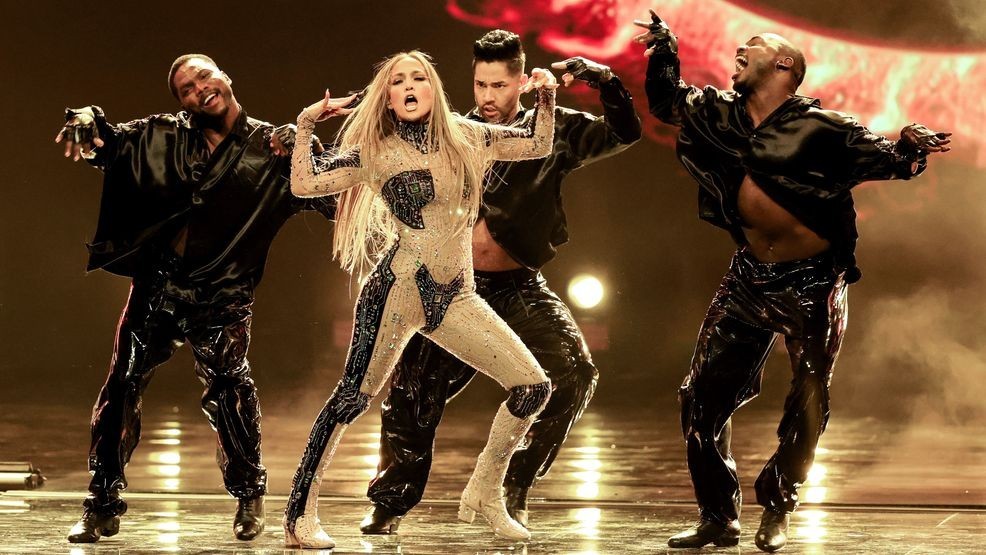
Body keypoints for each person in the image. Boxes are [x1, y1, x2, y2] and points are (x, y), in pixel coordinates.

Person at [631, 10, 951, 552]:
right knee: (699, 399)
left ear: (783, 63)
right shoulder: (717, 113)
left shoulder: (826, 129)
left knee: (807, 396)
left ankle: (778, 507)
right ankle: (719, 517)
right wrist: (664, 50)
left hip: (814, 282)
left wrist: (912, 143)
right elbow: (666, 102)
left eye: (751, 44)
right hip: (748, 278)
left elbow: (895, 160)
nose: (739, 48)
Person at [360, 29, 641, 535]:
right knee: (413, 393)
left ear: (522, 82)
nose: (487, 97)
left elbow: (624, 133)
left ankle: (507, 487)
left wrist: (604, 82)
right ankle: (389, 503)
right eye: (479, 85)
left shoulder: (551, 129)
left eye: (498, 86)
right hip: (448, 287)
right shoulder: (454, 131)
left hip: (516, 288)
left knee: (572, 374)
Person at [283, 50, 558, 549]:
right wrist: (305, 125)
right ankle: (300, 512)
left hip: (456, 296)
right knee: (352, 399)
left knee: (532, 388)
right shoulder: (376, 150)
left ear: (434, 87)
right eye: (397, 81)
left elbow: (538, 143)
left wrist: (546, 95)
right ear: (386, 98)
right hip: (395, 292)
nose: (409, 87)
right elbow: (304, 183)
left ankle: (483, 491)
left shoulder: (470, 136)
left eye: (418, 78)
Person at [56, 53, 335, 544]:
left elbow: (335, 193)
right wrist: (87, 122)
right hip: (158, 285)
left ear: (225, 76)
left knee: (229, 387)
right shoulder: (166, 132)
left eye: (203, 76)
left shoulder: (272, 147)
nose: (197, 89)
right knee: (122, 384)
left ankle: (249, 495)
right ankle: (101, 503)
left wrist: (309, 144)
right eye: (185, 87)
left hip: (222, 293)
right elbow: (114, 142)